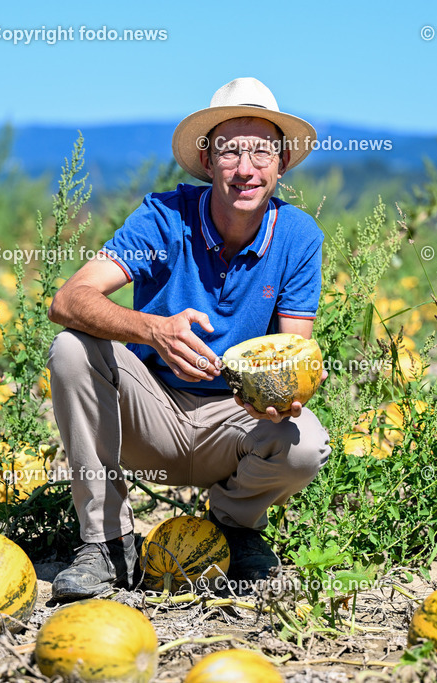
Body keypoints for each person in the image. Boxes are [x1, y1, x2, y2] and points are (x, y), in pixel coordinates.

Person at [47, 77, 331, 600]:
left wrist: (292, 389)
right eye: (230, 151)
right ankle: (106, 542)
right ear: (207, 160)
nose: (245, 168)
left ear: (282, 163)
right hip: (147, 418)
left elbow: (294, 352)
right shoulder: (164, 218)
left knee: (306, 442)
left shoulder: (299, 237)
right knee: (70, 348)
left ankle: (234, 528)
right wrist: (152, 329)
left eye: (261, 152)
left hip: (235, 422)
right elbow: (67, 300)